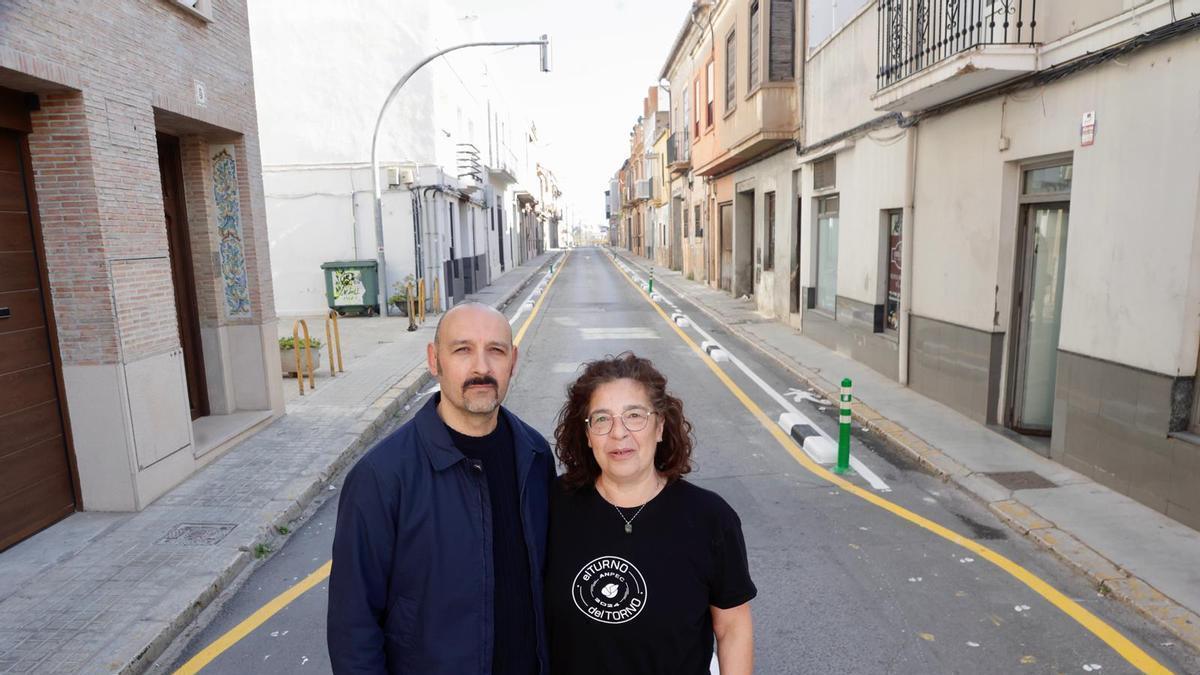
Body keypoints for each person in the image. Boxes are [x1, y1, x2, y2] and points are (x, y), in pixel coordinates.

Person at [327, 302, 555, 674]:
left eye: (495, 350)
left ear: (512, 361)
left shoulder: (534, 455)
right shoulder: (381, 477)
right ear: (434, 361)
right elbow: (352, 625)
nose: (481, 367)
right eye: (462, 350)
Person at [547, 352, 756, 674]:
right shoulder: (550, 507)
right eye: (602, 419)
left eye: (634, 416)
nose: (619, 433)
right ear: (587, 435)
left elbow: (732, 628)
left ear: (659, 426)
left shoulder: (709, 518)